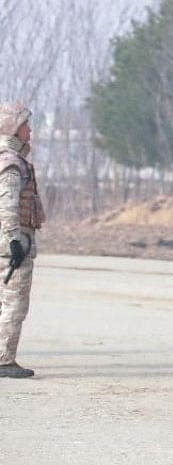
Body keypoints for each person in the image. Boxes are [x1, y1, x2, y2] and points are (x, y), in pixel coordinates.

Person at [0, 103, 43, 379]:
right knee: (14, 302)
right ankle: (4, 359)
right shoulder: (11, 163)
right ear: (14, 128)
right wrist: (15, 241)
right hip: (11, 245)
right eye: (25, 125)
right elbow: (7, 205)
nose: (30, 130)